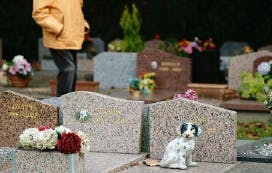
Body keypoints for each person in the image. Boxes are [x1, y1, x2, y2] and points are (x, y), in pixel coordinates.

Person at [32, 0, 90, 96]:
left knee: (72, 72)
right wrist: (58, 28)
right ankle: (61, 104)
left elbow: (77, 8)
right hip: (58, 37)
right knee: (68, 69)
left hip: (72, 36)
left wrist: (83, 26)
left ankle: (68, 105)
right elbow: (39, 13)